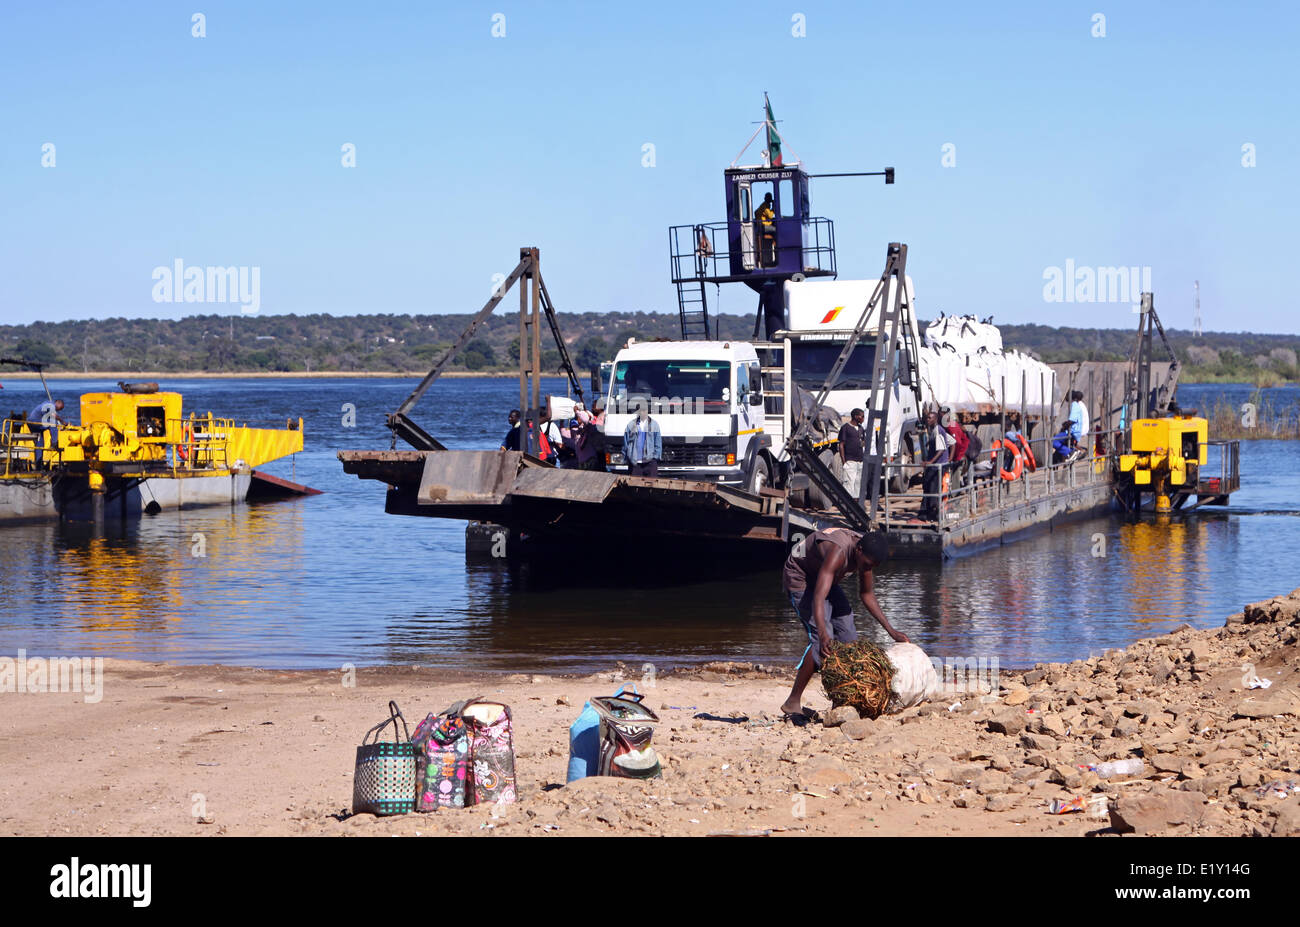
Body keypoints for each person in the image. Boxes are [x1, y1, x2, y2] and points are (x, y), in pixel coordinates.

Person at [779, 528, 908, 719]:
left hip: (825, 578)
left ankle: (840, 702)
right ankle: (793, 701)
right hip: (801, 577)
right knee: (822, 643)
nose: (867, 569)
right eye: (867, 564)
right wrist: (823, 633)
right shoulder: (838, 551)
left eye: (873, 566)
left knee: (849, 639)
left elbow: (867, 595)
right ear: (859, 550)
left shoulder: (866, 558)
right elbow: (818, 596)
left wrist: (891, 631)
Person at [917, 408, 950, 521]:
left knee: (932, 489)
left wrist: (931, 462)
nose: (927, 419)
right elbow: (950, 442)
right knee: (928, 487)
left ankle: (931, 514)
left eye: (930, 418)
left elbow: (941, 449)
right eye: (927, 418)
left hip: (937, 466)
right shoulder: (935, 430)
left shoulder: (937, 430)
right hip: (935, 465)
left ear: (935, 419)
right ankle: (926, 513)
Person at [27, 398, 68, 467]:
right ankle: (54, 443)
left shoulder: (47, 403)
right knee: (52, 423)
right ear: (58, 403)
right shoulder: (50, 405)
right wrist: (63, 421)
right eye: (60, 408)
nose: (59, 410)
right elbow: (54, 416)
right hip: (35, 422)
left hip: (31, 423)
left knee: (40, 443)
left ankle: (38, 464)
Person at [622, 405, 662, 477]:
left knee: (652, 486)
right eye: (640, 410)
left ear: (647, 411)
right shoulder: (631, 425)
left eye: (644, 410)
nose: (642, 412)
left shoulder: (654, 425)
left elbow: (658, 442)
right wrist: (626, 457)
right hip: (635, 463)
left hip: (650, 463)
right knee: (634, 486)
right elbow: (626, 442)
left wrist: (655, 458)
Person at [837, 408, 865, 499]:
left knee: (858, 485)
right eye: (862, 416)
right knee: (849, 484)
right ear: (856, 416)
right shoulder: (845, 428)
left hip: (860, 461)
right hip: (850, 461)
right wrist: (844, 462)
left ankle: (857, 506)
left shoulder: (861, 428)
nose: (863, 418)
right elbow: (841, 445)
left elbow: (863, 442)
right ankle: (848, 506)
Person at [945, 415, 970, 487]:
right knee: (956, 476)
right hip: (960, 453)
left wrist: (953, 457)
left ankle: (955, 494)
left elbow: (957, 443)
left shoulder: (952, 427)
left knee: (955, 476)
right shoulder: (954, 425)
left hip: (959, 455)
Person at [755, 192, 777, 266]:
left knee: (775, 227)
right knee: (776, 231)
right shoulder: (765, 206)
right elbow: (770, 215)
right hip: (764, 226)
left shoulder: (765, 205)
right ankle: (777, 248)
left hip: (763, 225)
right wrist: (774, 208)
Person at [1069, 391, 1090, 459]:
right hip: (1083, 427)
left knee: (1069, 440)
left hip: (1081, 428)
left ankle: (1081, 451)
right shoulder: (1081, 404)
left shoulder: (1077, 406)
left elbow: (1073, 419)